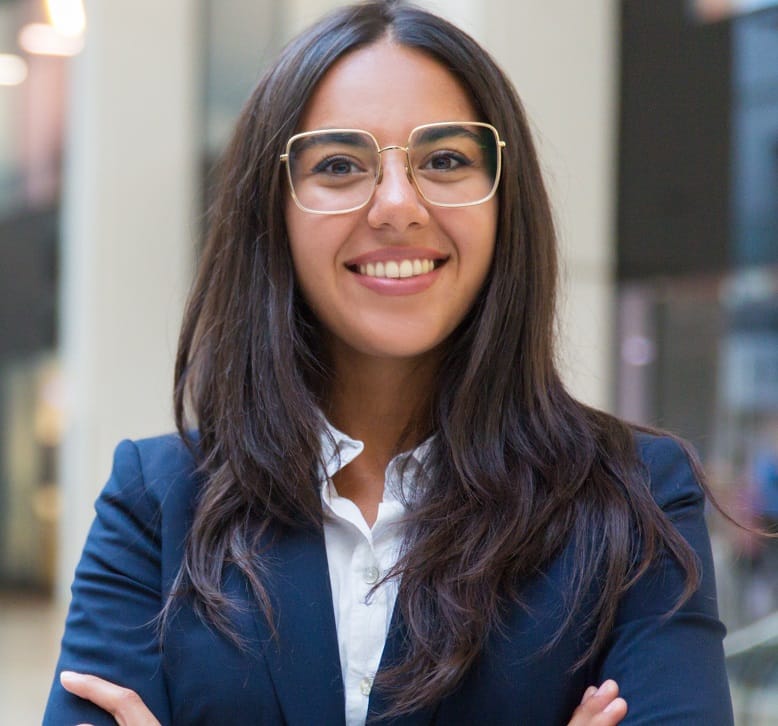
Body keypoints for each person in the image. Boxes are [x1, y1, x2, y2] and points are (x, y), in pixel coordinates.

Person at [43, 1, 734, 724]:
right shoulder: (157, 506)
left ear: (507, 201)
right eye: (340, 165)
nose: (398, 205)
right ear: (270, 211)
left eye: (445, 160)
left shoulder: (634, 500)